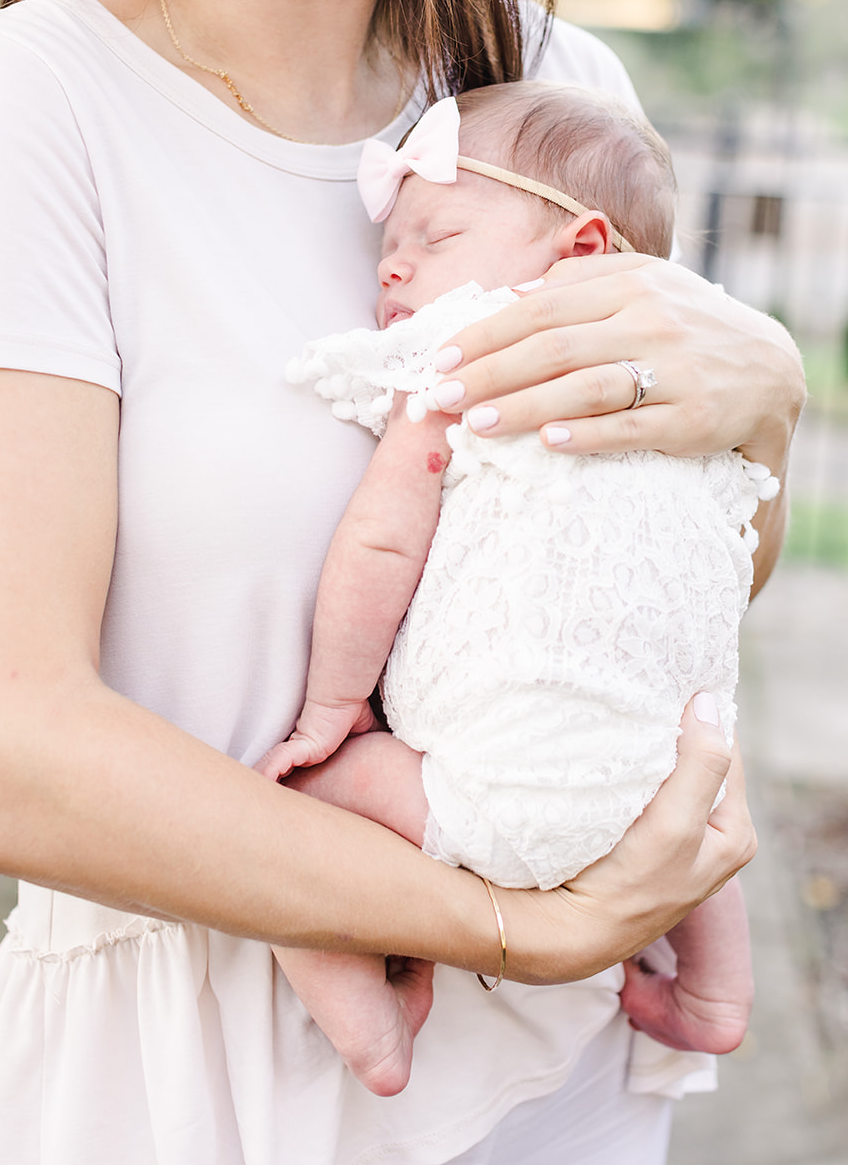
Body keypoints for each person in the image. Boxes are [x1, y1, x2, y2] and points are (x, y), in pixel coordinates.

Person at [0, 0, 802, 1160]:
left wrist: (766, 413)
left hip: (553, 1079)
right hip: (186, 1080)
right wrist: (498, 919)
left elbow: (654, 561)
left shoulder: (553, 91)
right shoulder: (19, 110)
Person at [257, 81, 768, 1098]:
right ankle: (713, 994)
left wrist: (329, 712)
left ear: (579, 251)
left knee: (289, 806)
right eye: (388, 244)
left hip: (493, 790)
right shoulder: (687, 396)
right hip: (664, 793)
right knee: (704, 778)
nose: (393, 263)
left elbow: (379, 547)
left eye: (434, 234)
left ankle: (371, 1022)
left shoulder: (468, 357)